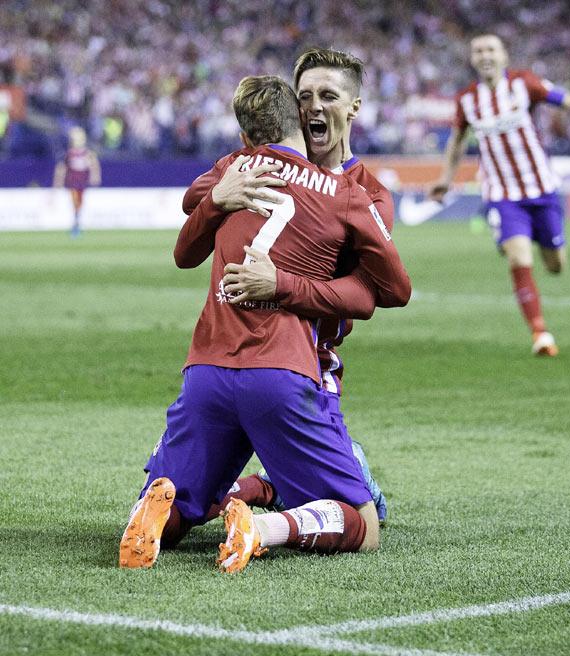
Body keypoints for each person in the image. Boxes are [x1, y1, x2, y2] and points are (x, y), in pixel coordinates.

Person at [119, 75, 411, 573]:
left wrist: (217, 198)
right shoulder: (346, 192)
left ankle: (157, 509)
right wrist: (285, 286)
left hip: (207, 369)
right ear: (299, 118)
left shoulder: (234, 167)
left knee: (186, 498)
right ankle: (264, 527)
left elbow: (185, 243)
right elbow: (392, 291)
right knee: (366, 520)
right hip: (289, 372)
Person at [203, 47, 397, 525]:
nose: (314, 106)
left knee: (372, 510)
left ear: (353, 107)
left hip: (312, 369)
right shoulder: (261, 163)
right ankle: (238, 488)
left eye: (328, 96)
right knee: (361, 514)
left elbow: (369, 295)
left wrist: (281, 284)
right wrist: (216, 196)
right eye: (304, 95)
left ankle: (234, 489)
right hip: (244, 358)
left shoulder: (367, 196)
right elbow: (196, 196)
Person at [429, 34, 570, 356]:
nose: (485, 55)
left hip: (542, 189)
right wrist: (445, 178)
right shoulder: (467, 100)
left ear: (504, 56)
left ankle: (530, 239)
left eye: (491, 50)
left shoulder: (524, 84)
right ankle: (540, 333)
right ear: (472, 59)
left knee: (555, 265)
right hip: (503, 194)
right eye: (478, 51)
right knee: (519, 258)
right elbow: (457, 141)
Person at [53, 126, 101, 237]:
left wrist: (95, 176)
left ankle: (77, 224)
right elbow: (62, 168)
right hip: (73, 182)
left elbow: (94, 165)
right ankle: (76, 225)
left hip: (82, 182)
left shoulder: (86, 153)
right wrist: (59, 182)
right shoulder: (69, 154)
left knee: (79, 203)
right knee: (76, 202)